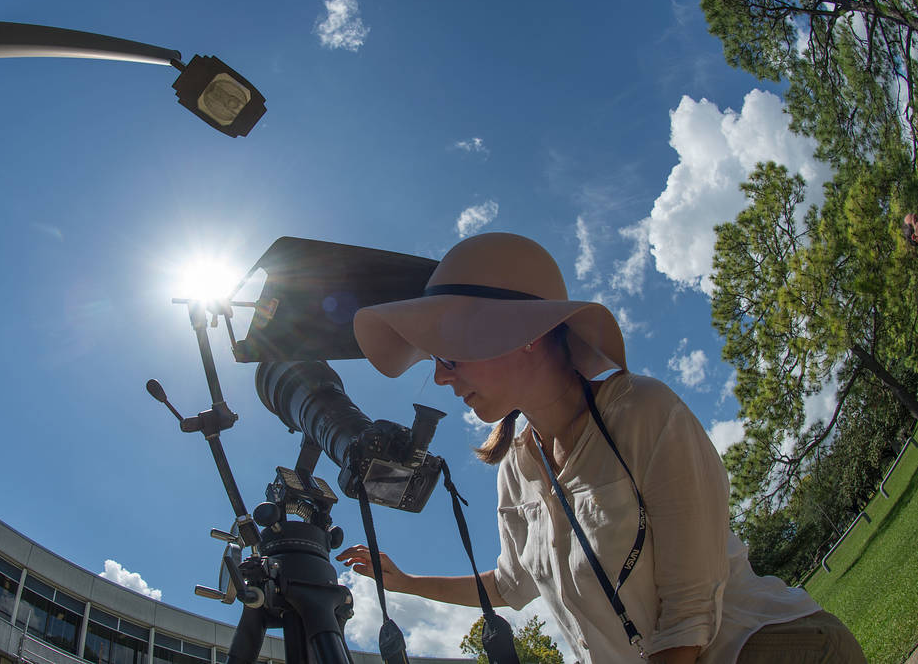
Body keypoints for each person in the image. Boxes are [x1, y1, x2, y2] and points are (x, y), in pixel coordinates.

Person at [336, 233, 865, 664]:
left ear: (522, 333)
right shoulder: (515, 474)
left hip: (770, 650)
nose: (439, 376)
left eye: (448, 356)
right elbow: (510, 584)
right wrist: (404, 582)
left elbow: (689, 613)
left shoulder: (643, 412)